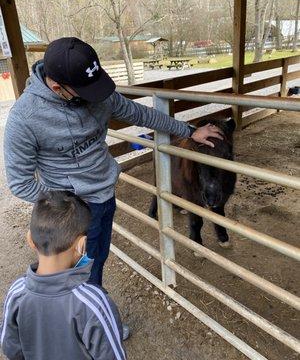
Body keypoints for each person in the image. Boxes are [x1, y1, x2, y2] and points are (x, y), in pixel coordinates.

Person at [4, 37, 223, 287]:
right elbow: (20, 183)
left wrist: (188, 130)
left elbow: (140, 114)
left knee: (96, 261)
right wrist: (68, 205)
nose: (94, 97)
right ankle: (87, 318)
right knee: (75, 271)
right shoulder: (25, 118)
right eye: (85, 92)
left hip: (104, 197)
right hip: (70, 212)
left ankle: (93, 311)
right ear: (57, 88)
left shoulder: (96, 94)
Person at [0, 190, 126, 360]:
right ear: (82, 244)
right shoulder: (94, 303)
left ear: (30, 240)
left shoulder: (16, 292)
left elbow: (11, 348)